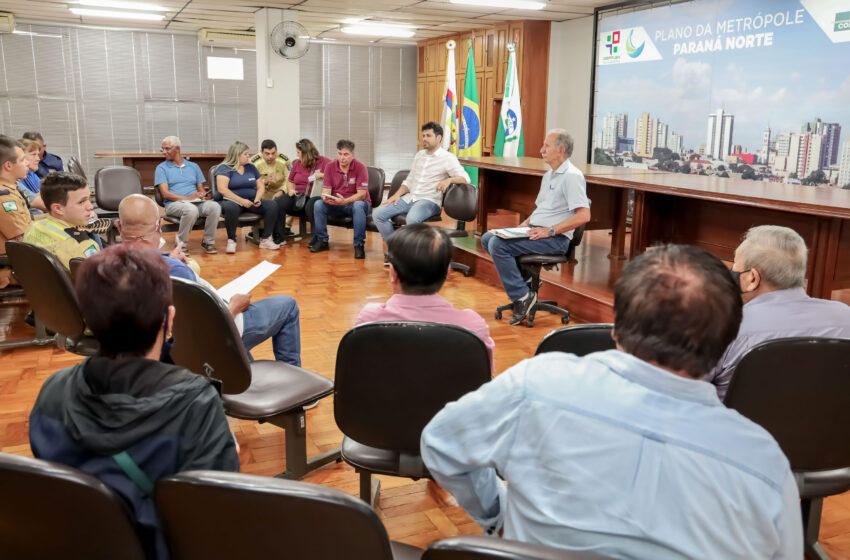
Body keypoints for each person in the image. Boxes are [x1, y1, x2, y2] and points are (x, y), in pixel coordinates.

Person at [421, 244, 803, 559]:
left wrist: (497, 516)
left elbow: (440, 443)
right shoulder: (763, 463)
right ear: (726, 342)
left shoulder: (537, 384)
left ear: (616, 328)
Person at [29, 244, 239, 560]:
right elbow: (213, 517)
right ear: (169, 320)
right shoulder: (195, 403)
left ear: (88, 318)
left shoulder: (53, 390)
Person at [117, 194, 302, 366]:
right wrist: (235, 306)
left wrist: (170, 260)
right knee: (288, 305)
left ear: (118, 226)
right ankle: (296, 386)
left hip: (168, 350)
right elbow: (206, 330)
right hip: (220, 329)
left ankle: (246, 379)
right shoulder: (177, 271)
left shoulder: (113, 267)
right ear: (159, 225)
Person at [706, 225, 850, 400]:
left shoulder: (723, 327)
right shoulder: (845, 317)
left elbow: (679, 391)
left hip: (736, 425)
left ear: (752, 278)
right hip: (829, 426)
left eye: (735, 265)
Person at [481, 129, 590, 325]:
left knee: (498, 245)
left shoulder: (572, 176)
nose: (541, 150)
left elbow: (584, 215)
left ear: (561, 149)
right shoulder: (549, 175)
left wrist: (550, 230)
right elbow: (540, 209)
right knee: (488, 238)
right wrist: (519, 228)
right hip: (537, 230)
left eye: (546, 146)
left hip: (555, 239)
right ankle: (525, 285)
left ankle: (523, 296)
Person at [356, 223, 495, 369]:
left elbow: (356, 373)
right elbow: (483, 379)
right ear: (448, 272)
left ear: (393, 273)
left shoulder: (370, 319)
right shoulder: (472, 326)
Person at [373, 122, 469, 251]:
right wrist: (396, 195)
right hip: (410, 198)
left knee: (412, 219)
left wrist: (449, 180)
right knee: (378, 214)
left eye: (428, 135)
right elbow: (409, 181)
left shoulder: (448, 158)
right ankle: (396, 251)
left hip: (429, 201)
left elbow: (465, 178)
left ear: (438, 138)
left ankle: (413, 256)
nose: (424, 139)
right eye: (423, 135)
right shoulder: (419, 155)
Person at [155, 135, 221, 255]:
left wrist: (204, 196)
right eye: (162, 149)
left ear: (178, 149)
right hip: (173, 204)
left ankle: (208, 242)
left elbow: (201, 189)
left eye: (167, 148)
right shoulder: (161, 168)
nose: (164, 152)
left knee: (214, 206)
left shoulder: (194, 166)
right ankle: (181, 244)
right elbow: (165, 194)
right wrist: (188, 198)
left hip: (195, 202)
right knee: (190, 209)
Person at [23, 171, 102, 270]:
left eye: (89, 200)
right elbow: (99, 281)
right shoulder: (82, 245)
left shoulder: (32, 228)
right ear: (58, 208)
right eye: (81, 202)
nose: (90, 207)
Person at [309, 139, 371, 259]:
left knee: (358, 205)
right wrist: (325, 197)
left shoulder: (361, 167)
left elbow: (362, 195)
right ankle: (322, 241)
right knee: (318, 204)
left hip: (358, 204)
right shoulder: (330, 167)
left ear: (352, 155)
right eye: (340, 154)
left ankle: (359, 245)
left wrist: (345, 201)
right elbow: (326, 190)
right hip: (338, 203)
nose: (342, 158)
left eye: (346, 154)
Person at [215, 141, 281, 254]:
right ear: (237, 154)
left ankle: (265, 238)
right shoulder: (224, 168)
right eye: (245, 154)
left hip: (250, 201)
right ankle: (232, 240)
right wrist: (241, 201)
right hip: (230, 201)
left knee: (272, 205)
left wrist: (257, 199)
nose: (248, 156)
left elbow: (260, 186)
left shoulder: (251, 167)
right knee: (232, 208)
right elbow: (222, 190)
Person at [0, 136, 33, 288]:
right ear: (8, 166)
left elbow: (27, 223)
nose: (27, 163)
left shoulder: (10, 189)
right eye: (22, 160)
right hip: (10, 266)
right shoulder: (4, 198)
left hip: (17, 258)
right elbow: (23, 239)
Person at [282, 138, 330, 242]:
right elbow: (290, 181)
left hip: (315, 196)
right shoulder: (297, 164)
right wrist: (290, 190)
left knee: (312, 205)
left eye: (298, 152)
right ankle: (279, 235)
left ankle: (317, 239)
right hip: (299, 196)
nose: (297, 155)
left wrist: (322, 175)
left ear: (306, 153)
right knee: (278, 203)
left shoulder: (325, 162)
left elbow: (335, 178)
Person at [250, 139, 292, 243]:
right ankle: (260, 228)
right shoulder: (253, 162)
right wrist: (264, 181)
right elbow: (250, 183)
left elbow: (290, 179)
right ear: (261, 152)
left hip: (279, 191)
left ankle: (285, 228)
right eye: (267, 154)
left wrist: (282, 191)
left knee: (286, 198)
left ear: (276, 151)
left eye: (273, 153)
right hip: (263, 192)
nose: (270, 156)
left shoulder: (284, 160)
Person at [16, 139, 46, 216]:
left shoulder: (31, 174)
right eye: (33, 154)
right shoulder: (15, 181)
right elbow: (40, 202)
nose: (38, 159)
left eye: (38, 154)